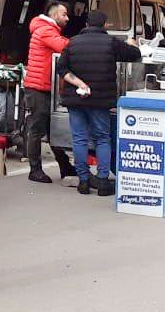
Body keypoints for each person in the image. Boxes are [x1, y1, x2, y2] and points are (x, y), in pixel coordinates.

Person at [55, 10, 143, 196]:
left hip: (76, 99)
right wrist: (131, 44)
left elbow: (61, 68)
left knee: (79, 139)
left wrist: (79, 83)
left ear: (86, 24)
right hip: (100, 101)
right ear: (104, 25)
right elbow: (135, 54)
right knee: (102, 138)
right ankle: (102, 181)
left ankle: (84, 181)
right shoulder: (111, 43)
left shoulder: (73, 42)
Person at [23, 0, 75, 185]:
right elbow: (65, 46)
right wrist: (85, 44)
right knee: (36, 130)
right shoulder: (45, 31)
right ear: (54, 16)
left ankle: (65, 166)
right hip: (38, 88)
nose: (67, 18)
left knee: (51, 130)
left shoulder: (47, 29)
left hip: (45, 87)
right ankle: (35, 170)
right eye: (64, 14)